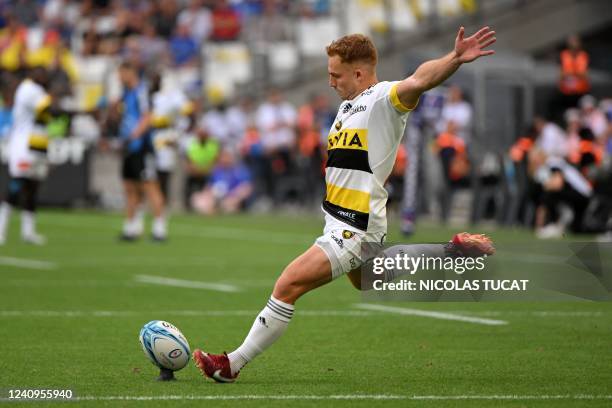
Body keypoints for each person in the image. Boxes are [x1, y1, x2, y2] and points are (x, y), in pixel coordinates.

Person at [193, 27, 497, 382]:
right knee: (370, 278)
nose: (330, 82)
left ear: (358, 72)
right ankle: (451, 250)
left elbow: (419, 80)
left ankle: (231, 364)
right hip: (341, 221)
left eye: (335, 75)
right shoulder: (345, 108)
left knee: (288, 284)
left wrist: (455, 58)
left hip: (355, 225)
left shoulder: (384, 99)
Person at [114, 62, 166, 241]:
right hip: (129, 147)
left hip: (142, 146)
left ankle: (160, 229)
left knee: (150, 186)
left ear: (130, 72)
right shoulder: (126, 93)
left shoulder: (142, 91)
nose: (119, 77)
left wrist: (135, 134)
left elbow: (148, 116)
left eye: (121, 73)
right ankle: (132, 228)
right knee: (130, 187)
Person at [0, 67, 52, 245]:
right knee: (16, 184)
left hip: (37, 143)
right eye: (41, 73)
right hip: (24, 145)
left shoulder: (37, 90)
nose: (44, 77)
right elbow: (49, 109)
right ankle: (1, 229)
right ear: (33, 75)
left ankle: (28, 232)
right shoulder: (29, 89)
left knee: (32, 187)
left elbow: (45, 118)